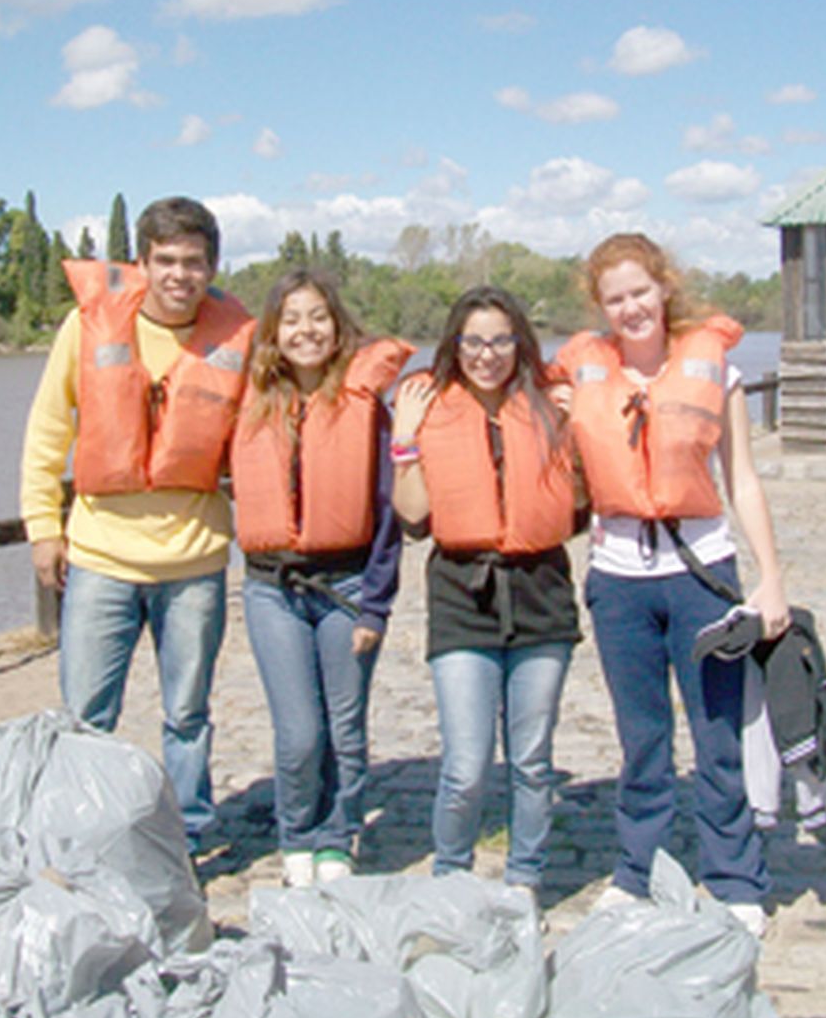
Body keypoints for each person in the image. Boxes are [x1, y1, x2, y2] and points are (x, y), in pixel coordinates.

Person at [555, 232, 791, 937]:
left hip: (701, 577)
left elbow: (742, 479)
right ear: (600, 306)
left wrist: (770, 580)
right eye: (614, 297)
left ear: (665, 289)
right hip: (619, 580)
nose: (631, 308)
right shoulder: (581, 377)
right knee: (643, 737)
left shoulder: (718, 371)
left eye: (640, 291)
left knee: (718, 735)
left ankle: (734, 877)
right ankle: (639, 870)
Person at [19, 196, 253, 853]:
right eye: (167, 260)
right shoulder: (86, 327)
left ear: (212, 267)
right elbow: (46, 431)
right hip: (101, 562)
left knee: (188, 716)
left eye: (195, 262)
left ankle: (187, 838)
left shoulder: (239, 337)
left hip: (194, 565)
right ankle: (78, 837)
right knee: (88, 718)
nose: (180, 275)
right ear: (142, 263)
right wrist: (44, 526)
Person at [391, 285, 583, 895]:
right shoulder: (430, 405)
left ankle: (525, 880)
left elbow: (577, 511)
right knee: (466, 765)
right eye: (473, 341)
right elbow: (413, 519)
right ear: (455, 344)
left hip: (541, 593)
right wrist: (404, 439)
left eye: (501, 339)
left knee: (531, 762)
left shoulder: (550, 407)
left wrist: (574, 432)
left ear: (519, 343)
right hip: (461, 594)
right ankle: (452, 878)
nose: (487, 353)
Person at [229, 270, 411, 887]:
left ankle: (339, 835)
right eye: (292, 320)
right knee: (300, 732)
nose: (306, 331)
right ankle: (297, 835)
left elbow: (389, 512)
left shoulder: (367, 406)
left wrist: (376, 607)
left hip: (349, 587)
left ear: (338, 328)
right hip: (270, 588)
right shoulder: (249, 402)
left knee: (346, 726)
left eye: (318, 318)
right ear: (273, 334)